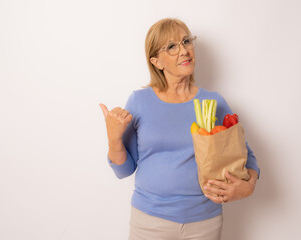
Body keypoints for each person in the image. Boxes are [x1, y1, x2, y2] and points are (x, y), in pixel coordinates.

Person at [99, 18, 259, 240]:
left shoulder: (213, 103)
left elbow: (246, 156)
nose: (184, 50)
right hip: (149, 222)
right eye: (172, 46)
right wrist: (113, 139)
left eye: (186, 41)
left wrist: (247, 186)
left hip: (204, 222)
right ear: (156, 62)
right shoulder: (139, 101)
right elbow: (124, 170)